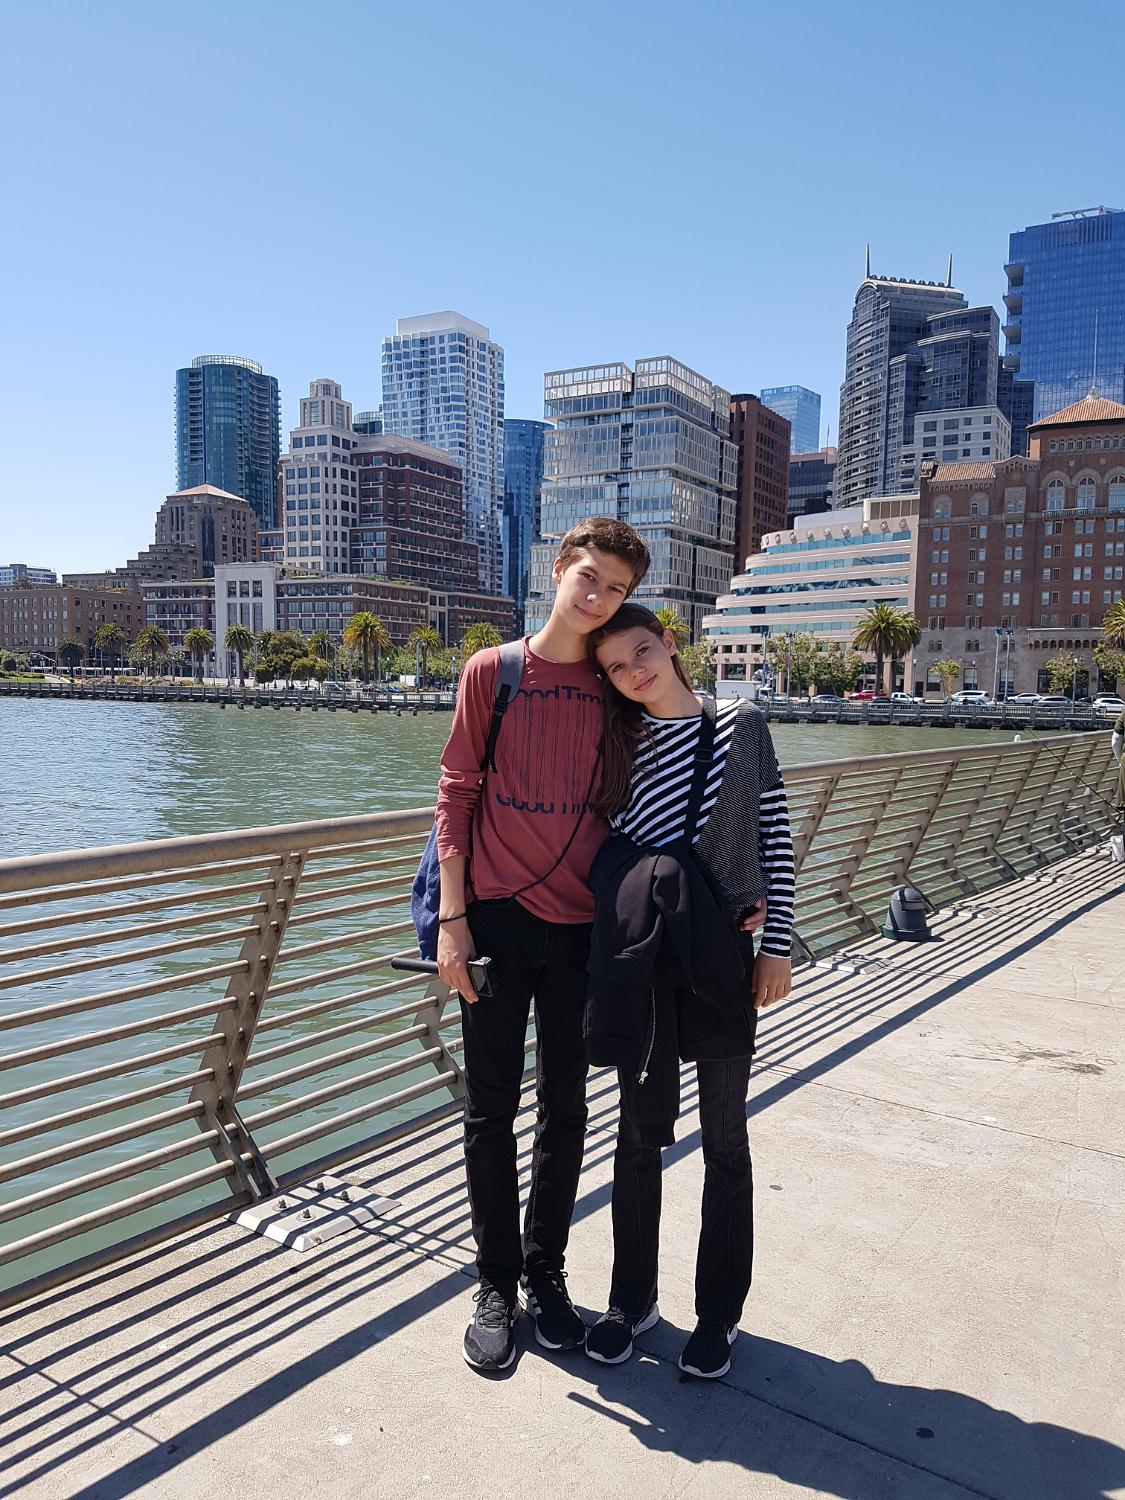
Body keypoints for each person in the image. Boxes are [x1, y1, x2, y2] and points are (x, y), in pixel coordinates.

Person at [434, 517, 651, 1372]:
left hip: (583, 930)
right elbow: (455, 793)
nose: (597, 597)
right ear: (558, 568)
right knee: (489, 1110)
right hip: (493, 923)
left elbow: (663, 784)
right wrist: (452, 921)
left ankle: (544, 1273)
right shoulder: (493, 671)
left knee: (566, 1108)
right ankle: (494, 1282)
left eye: (616, 589)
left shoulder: (615, 684)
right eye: (588, 576)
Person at [582, 603, 795, 1380]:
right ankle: (629, 1302)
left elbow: (774, 834)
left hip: (722, 956)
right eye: (615, 667)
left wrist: (776, 946)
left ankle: (718, 1315)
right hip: (642, 960)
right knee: (637, 1137)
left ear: (670, 644)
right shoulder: (618, 740)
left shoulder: (741, 725)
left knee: (725, 1138)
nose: (633, 671)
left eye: (641, 651)